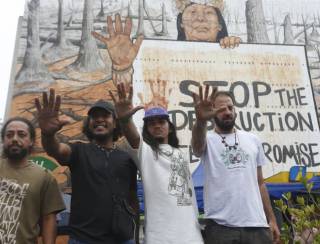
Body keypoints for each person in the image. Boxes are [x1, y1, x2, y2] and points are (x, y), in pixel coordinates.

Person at [34, 89, 139, 244]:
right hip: (83, 239)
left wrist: (134, 236)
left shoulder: (126, 158)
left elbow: (132, 198)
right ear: (88, 123)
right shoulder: (78, 151)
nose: (99, 119)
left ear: (115, 122)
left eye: (105, 115)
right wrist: (48, 135)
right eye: (94, 116)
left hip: (122, 239)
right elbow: (56, 149)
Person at [109, 82, 204, 244]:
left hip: (192, 235)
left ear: (170, 127)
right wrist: (125, 121)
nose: (157, 125)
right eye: (151, 123)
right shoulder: (145, 152)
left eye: (161, 121)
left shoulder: (180, 154)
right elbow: (133, 137)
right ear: (146, 130)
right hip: (160, 236)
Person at [191, 85, 281, 244]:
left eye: (230, 107)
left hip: (257, 226)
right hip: (221, 227)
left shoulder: (253, 139)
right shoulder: (207, 139)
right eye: (221, 109)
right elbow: (197, 148)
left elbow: (260, 183)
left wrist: (272, 220)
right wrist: (200, 121)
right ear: (212, 113)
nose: (227, 112)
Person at [0, 117, 65, 244]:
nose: (14, 139)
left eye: (21, 134)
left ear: (31, 141)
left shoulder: (44, 176)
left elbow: (48, 219)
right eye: (9, 135)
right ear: (3, 140)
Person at [176, 2, 241, 48]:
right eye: (193, 12)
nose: (200, 18)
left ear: (220, 25)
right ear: (181, 23)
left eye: (208, 12)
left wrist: (237, 46)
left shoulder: (231, 49)